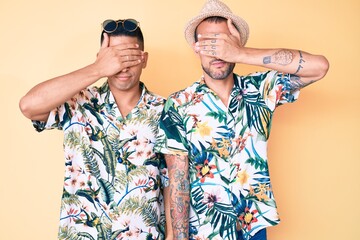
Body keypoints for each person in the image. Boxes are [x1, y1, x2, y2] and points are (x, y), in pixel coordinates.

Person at [155, 0, 329, 240]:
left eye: (223, 43)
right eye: (208, 43)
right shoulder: (179, 104)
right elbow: (177, 180)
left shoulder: (260, 91)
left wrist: (240, 53)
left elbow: (319, 66)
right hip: (205, 231)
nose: (216, 52)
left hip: (253, 227)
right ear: (196, 47)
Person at [19, 18, 171, 239]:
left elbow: (172, 182)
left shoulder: (164, 111)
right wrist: (97, 69)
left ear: (144, 59)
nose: (123, 66)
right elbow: (28, 106)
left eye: (129, 57)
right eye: (115, 58)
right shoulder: (77, 103)